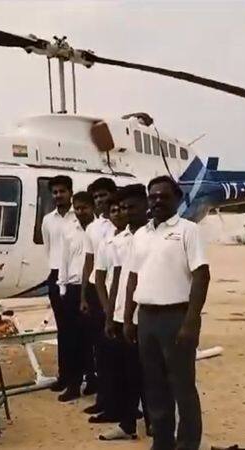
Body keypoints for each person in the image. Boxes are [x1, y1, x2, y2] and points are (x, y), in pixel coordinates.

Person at [124, 176, 210, 450]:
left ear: (177, 199)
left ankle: (187, 444)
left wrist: (191, 320)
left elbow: (201, 275)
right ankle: (162, 442)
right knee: (154, 386)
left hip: (176, 317)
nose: (157, 201)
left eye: (163, 196)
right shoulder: (140, 235)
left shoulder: (188, 230)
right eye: (153, 197)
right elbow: (132, 278)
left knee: (182, 387)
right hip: (147, 318)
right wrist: (128, 318)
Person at [99, 184, 150, 441]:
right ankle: (128, 424)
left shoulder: (154, 236)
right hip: (123, 316)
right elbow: (119, 277)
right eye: (124, 208)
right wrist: (112, 316)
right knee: (130, 373)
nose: (128, 212)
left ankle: (154, 422)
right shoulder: (120, 240)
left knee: (151, 374)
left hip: (148, 316)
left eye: (133, 207)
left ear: (146, 206)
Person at [79, 177, 118, 413]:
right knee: (100, 349)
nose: (100, 200)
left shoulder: (121, 224)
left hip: (118, 291)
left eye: (104, 195)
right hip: (96, 290)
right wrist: (83, 295)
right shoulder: (92, 228)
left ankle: (123, 403)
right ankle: (104, 400)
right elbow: (88, 262)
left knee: (118, 350)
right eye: (96, 197)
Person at [55, 190, 95, 402]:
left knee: (93, 339)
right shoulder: (69, 231)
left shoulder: (100, 230)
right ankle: (73, 384)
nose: (80, 212)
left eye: (84, 208)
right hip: (72, 288)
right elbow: (64, 260)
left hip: (94, 289)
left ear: (92, 207)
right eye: (76, 208)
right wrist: (62, 287)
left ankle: (93, 379)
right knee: (72, 340)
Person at [41, 175, 76, 395]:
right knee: (63, 331)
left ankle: (84, 377)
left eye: (62, 191)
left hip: (75, 277)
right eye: (54, 192)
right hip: (56, 275)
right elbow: (48, 247)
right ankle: (65, 376)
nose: (58, 195)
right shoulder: (48, 220)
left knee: (79, 331)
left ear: (70, 192)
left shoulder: (79, 216)